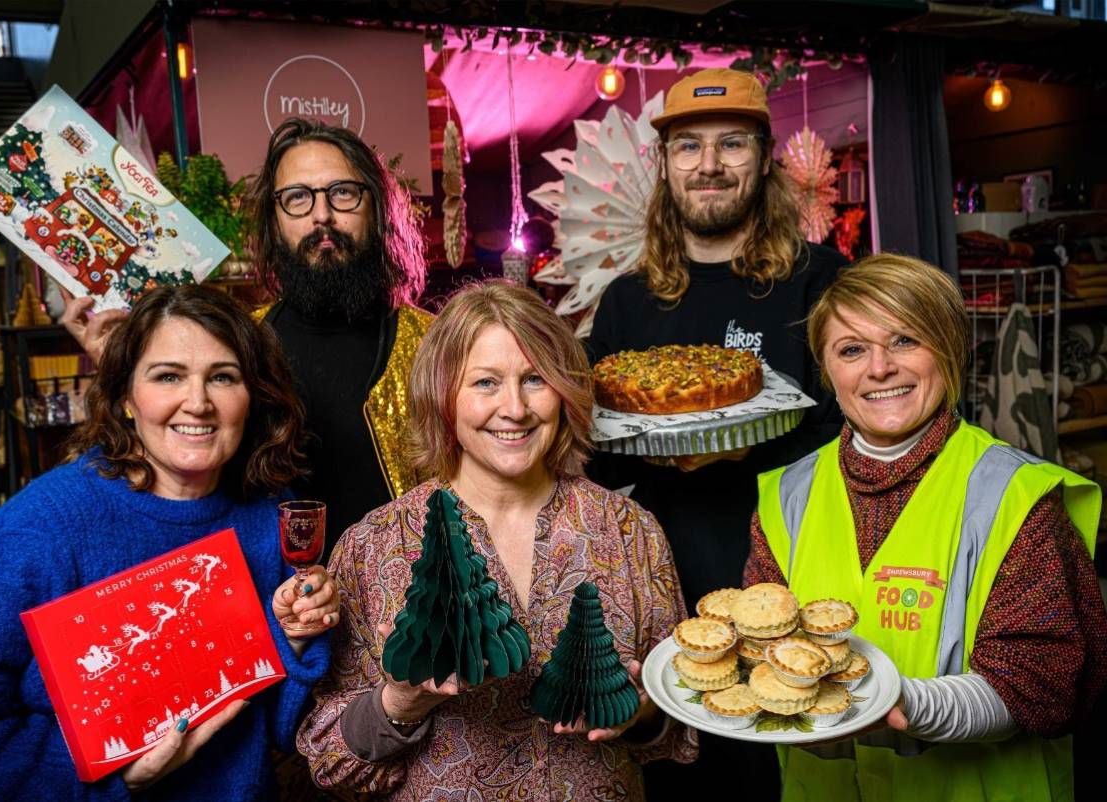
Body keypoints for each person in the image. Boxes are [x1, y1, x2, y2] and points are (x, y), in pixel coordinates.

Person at [0, 285, 340, 800]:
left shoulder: (271, 510)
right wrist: (107, 773)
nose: (198, 403)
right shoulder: (36, 531)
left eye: (222, 377)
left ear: (254, 397)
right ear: (124, 398)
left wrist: (291, 636)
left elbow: (276, 725)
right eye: (168, 376)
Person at [299, 282, 696, 798]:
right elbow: (328, 759)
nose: (514, 408)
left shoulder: (629, 532)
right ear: (443, 396)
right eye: (485, 383)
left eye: (535, 379)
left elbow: (677, 732)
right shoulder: (375, 545)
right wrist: (400, 702)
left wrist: (638, 713)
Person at [746, 254, 1106, 802]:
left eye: (905, 340)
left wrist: (902, 708)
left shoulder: (1015, 497)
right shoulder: (785, 497)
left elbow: (1043, 683)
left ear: (949, 348)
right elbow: (763, 651)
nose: (880, 368)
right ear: (827, 371)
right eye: (851, 350)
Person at [583, 67, 847, 796]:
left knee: (791, 772)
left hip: (793, 579)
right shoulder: (627, 303)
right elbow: (597, 458)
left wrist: (747, 444)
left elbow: (855, 429)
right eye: (688, 147)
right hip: (666, 591)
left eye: (731, 143)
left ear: (764, 159)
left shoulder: (818, 280)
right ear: (664, 167)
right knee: (685, 780)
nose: (708, 165)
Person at [62, 119, 431, 555]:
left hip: (409, 610)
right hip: (266, 601)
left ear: (378, 208)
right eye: (297, 198)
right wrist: (121, 366)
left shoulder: (436, 343)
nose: (322, 215)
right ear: (274, 223)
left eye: (343, 193)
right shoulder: (232, 345)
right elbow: (168, 468)